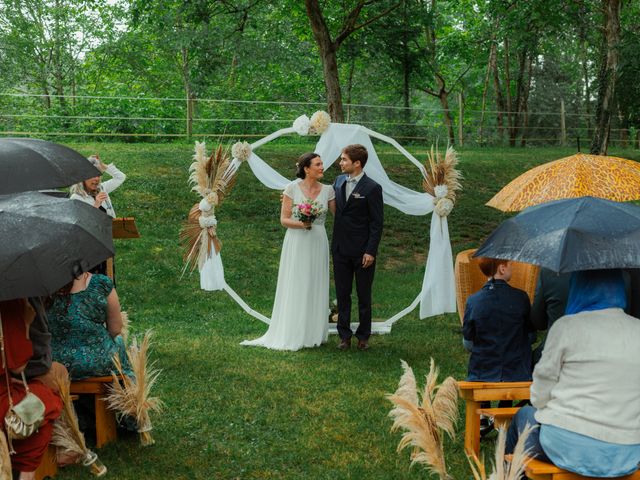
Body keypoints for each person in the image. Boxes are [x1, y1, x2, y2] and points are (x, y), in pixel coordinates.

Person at [506, 269, 640, 477]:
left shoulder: (566, 327)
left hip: (565, 446)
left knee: (523, 415)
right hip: (628, 453)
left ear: (578, 287)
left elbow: (539, 397)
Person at [241, 152, 336, 350]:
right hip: (297, 240)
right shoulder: (291, 188)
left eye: (322, 164)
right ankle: (293, 330)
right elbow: (284, 220)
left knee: (315, 281)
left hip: (318, 240)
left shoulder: (329, 190)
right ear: (306, 168)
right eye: (318, 164)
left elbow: (341, 215)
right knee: (297, 281)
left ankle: (313, 332)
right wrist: (303, 223)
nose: (322, 167)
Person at [0, 299, 63, 480]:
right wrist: (26, 323)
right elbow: (18, 366)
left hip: (6, 387)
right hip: (2, 399)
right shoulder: (9, 303)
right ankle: (26, 474)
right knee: (48, 402)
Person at [332, 144, 383, 351]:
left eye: (344, 159)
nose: (340, 163)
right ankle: (344, 336)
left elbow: (376, 222)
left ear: (357, 163)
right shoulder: (338, 181)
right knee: (343, 294)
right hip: (340, 249)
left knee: (364, 295)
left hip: (363, 252)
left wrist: (370, 251)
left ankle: (363, 336)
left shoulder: (372, 188)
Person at [45, 272, 130, 379]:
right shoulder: (100, 283)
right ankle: (125, 390)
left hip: (56, 364)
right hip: (99, 362)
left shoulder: (41, 289)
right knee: (119, 342)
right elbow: (115, 329)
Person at [462, 257, 533, 382]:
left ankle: (484, 402)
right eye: (510, 264)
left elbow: (468, 343)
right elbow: (531, 336)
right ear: (502, 268)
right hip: (518, 372)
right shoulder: (521, 298)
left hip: (481, 373)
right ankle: (506, 402)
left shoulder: (473, 301)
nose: (512, 267)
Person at [69, 154, 126, 218]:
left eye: (98, 175)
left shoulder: (102, 188)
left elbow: (120, 177)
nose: (97, 179)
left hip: (112, 226)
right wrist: (96, 205)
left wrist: (102, 165)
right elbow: (81, 222)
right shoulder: (76, 198)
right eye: (92, 175)